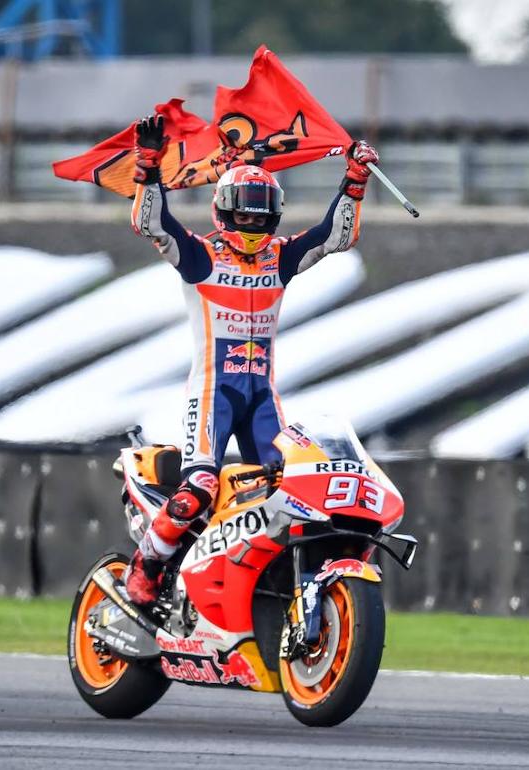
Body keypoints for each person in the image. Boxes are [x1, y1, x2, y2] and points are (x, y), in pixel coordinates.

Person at [123, 113, 379, 605]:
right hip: (213, 392)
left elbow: (335, 237)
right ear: (223, 210)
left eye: (263, 213)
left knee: (292, 489)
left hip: (262, 394)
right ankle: (148, 564)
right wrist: (149, 164)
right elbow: (150, 222)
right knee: (198, 486)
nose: (254, 221)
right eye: (245, 211)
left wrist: (355, 178)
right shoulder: (200, 256)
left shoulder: (280, 258)